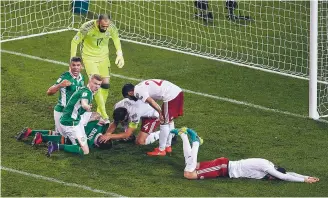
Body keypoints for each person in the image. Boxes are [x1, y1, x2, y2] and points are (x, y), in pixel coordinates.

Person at [172, 127, 320, 183]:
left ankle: (183, 134)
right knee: (188, 174)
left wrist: (305, 176)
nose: (270, 178)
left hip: (224, 164)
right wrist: (304, 181)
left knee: (190, 165)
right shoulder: (266, 168)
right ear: (273, 172)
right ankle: (195, 141)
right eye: (271, 177)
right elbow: (284, 176)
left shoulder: (267, 164)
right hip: (222, 168)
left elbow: (288, 173)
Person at [16, 57, 85, 142]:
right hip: (62, 111)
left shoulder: (81, 78)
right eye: (73, 65)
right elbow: (49, 92)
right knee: (64, 139)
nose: (76, 67)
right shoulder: (65, 76)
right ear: (70, 65)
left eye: (78, 65)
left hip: (72, 112)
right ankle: (40, 138)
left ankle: (30, 132)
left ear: (81, 66)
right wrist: (60, 85)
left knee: (60, 135)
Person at [71, 14, 124, 121]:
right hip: (89, 57)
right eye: (103, 26)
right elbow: (74, 41)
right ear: (98, 22)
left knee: (105, 85)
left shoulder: (111, 27)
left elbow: (116, 39)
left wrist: (120, 54)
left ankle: (99, 112)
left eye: (107, 26)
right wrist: (72, 60)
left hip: (104, 58)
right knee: (96, 84)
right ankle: (104, 115)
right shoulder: (87, 27)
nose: (105, 28)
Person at [121, 79, 183, 156]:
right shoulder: (139, 86)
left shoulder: (137, 92)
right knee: (169, 121)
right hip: (176, 92)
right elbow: (152, 99)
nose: (130, 99)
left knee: (164, 122)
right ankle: (168, 146)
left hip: (171, 96)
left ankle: (161, 150)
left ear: (130, 93)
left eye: (129, 97)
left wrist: (160, 112)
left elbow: (151, 101)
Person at [59, 74, 103, 155]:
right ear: (90, 82)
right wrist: (86, 106)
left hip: (74, 117)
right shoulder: (87, 92)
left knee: (97, 116)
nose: (97, 86)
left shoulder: (87, 89)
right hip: (70, 122)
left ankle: (75, 135)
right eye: (95, 83)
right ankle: (57, 146)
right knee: (85, 151)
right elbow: (83, 103)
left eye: (99, 84)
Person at [46, 120, 113, 157]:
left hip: (71, 120)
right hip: (70, 127)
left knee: (66, 137)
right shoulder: (89, 144)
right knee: (83, 150)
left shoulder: (101, 127)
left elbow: (107, 122)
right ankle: (57, 146)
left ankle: (40, 136)